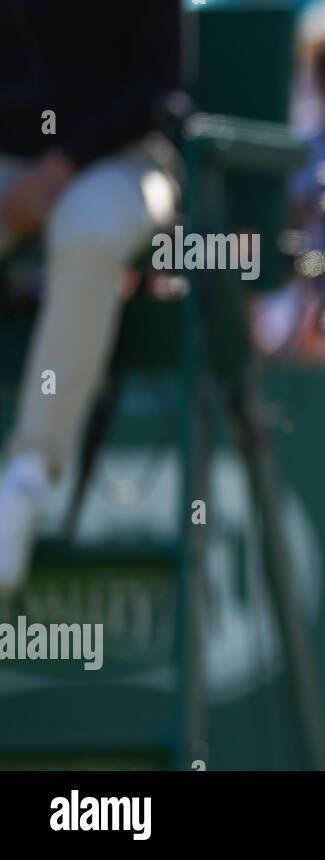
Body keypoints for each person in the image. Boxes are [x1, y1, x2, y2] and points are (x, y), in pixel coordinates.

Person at [0, 0, 183, 595]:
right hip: (11, 162)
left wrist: (60, 165)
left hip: (122, 161)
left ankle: (27, 476)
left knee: (89, 236)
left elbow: (157, 84)